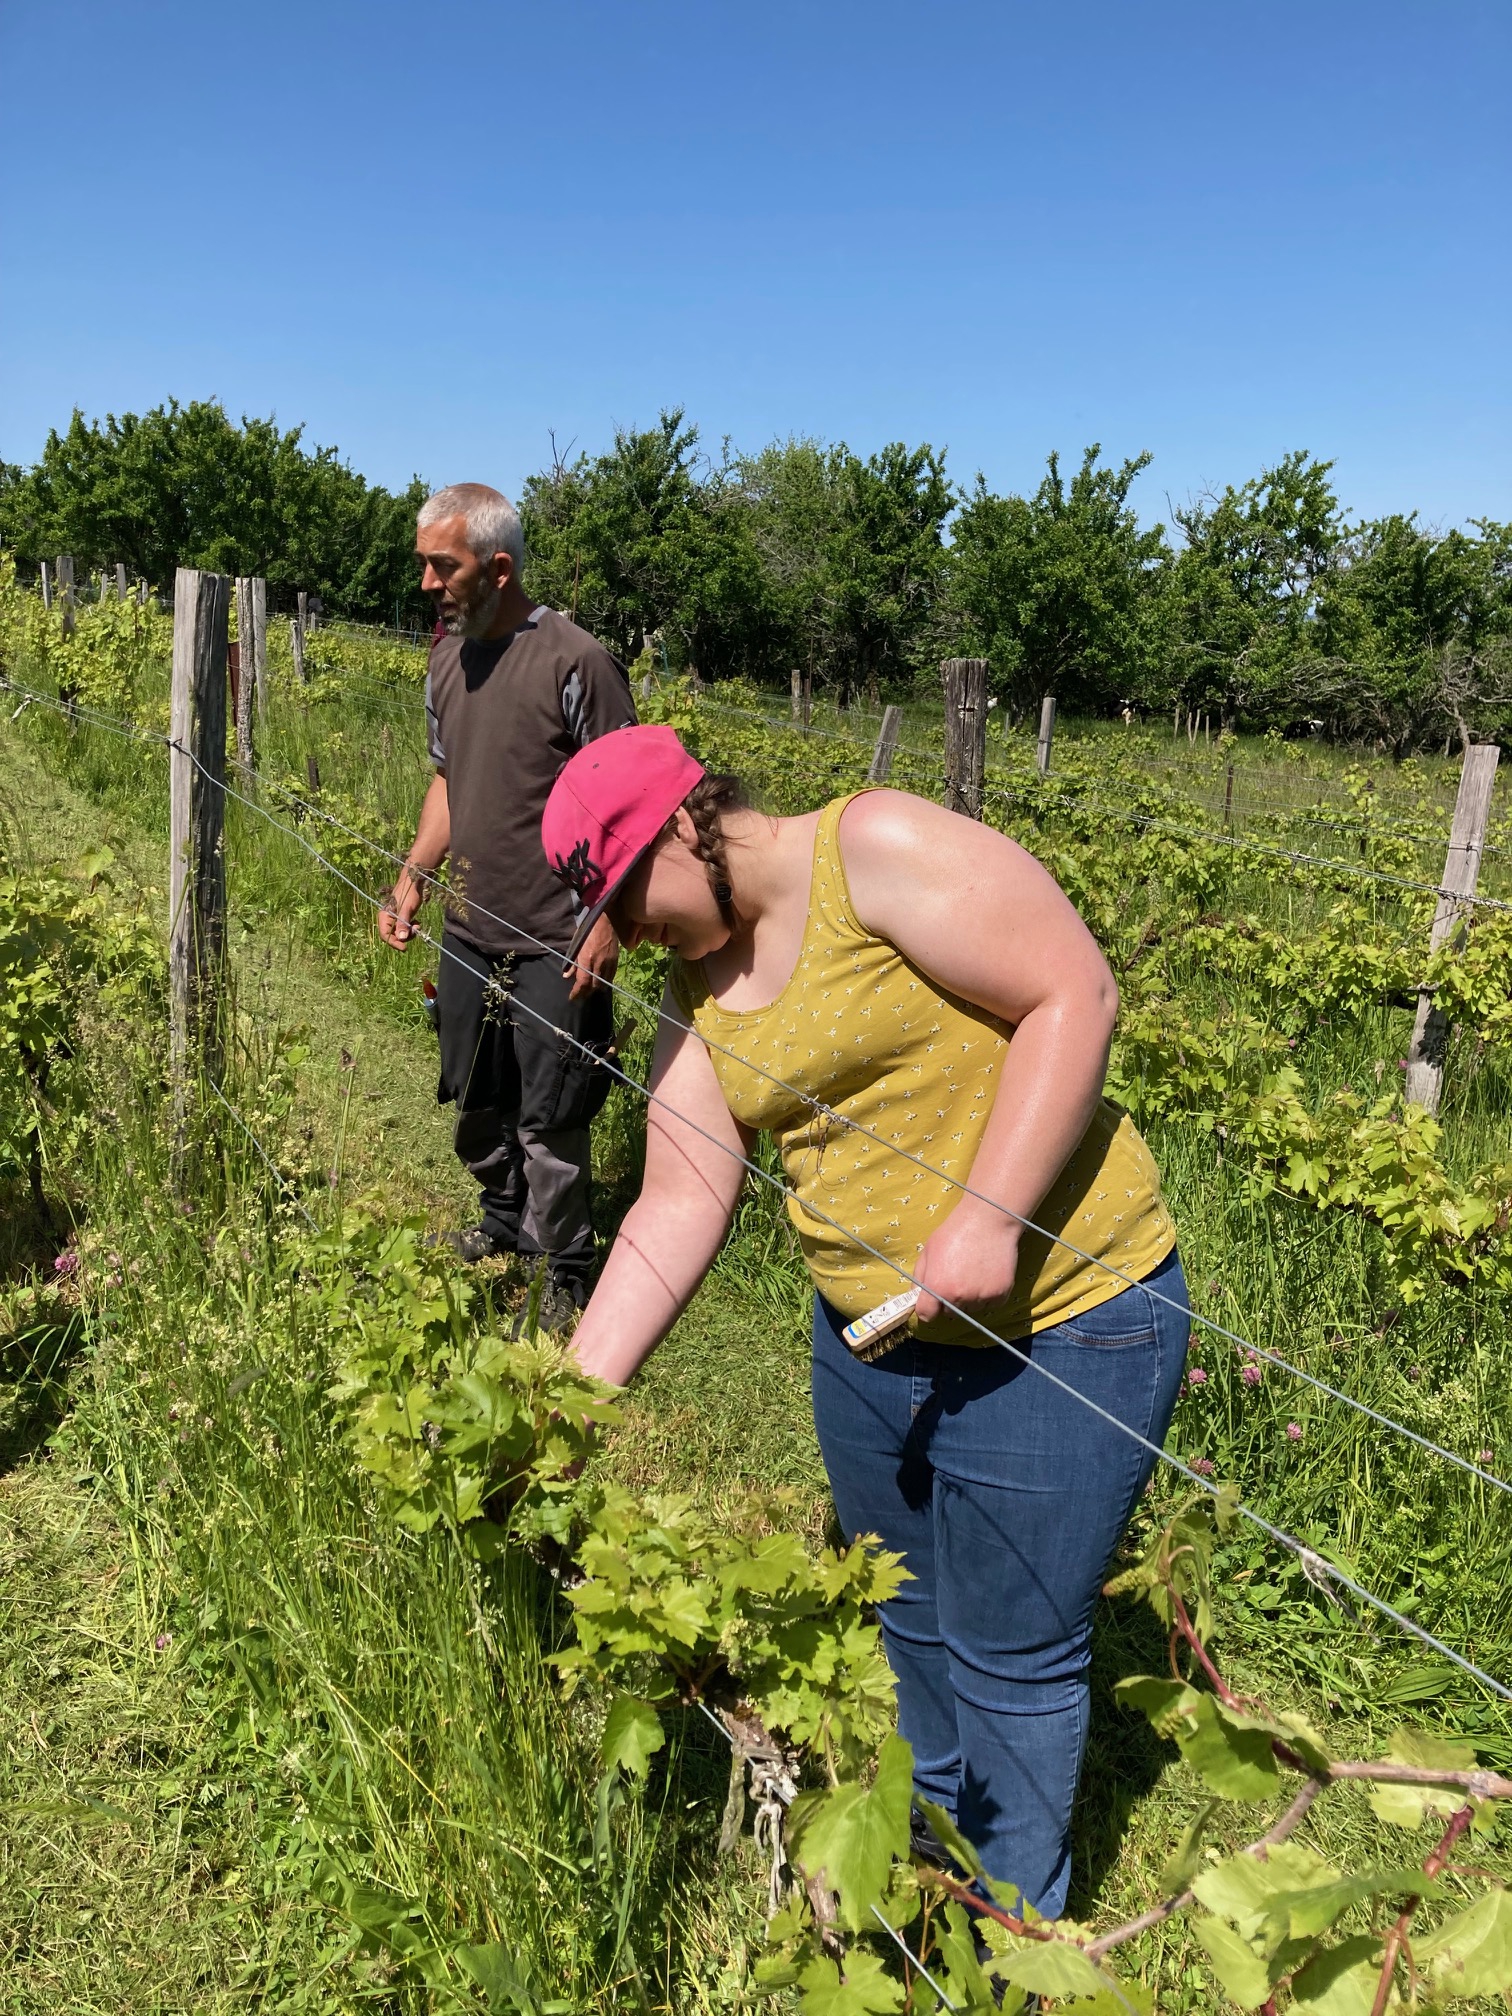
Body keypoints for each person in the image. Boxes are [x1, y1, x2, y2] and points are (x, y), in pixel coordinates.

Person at [541, 725, 1188, 1919]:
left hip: (1061, 1327)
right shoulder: (703, 985)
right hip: (874, 1348)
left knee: (1013, 1659)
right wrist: (570, 1403)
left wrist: (991, 1214)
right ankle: (942, 1866)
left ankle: (1013, 1949)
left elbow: (1073, 990)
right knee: (916, 1631)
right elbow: (679, 1200)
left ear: (687, 821)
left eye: (624, 894)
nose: (626, 933)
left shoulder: (874, 850)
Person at [379, 483, 636, 1322]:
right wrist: (417, 870)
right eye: (422, 562)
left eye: (440, 565)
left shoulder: (577, 662)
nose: (425, 582)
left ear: (496, 568)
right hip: (469, 923)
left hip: (556, 936)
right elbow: (449, 779)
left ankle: (567, 1261)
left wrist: (608, 924)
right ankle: (502, 1221)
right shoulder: (447, 655)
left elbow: (635, 805)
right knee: (474, 1093)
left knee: (551, 1114)